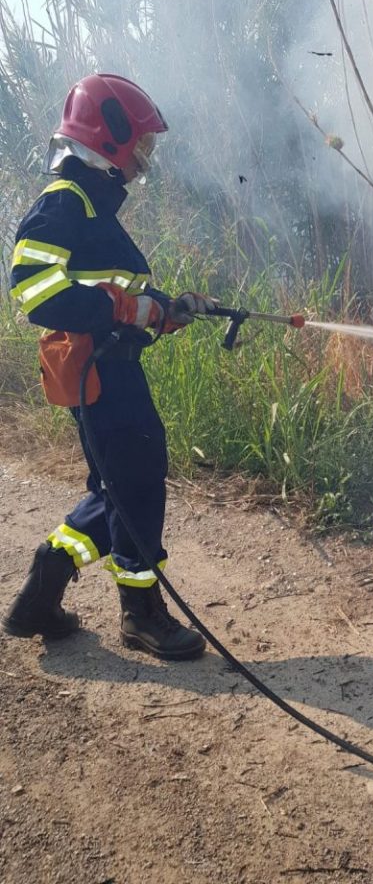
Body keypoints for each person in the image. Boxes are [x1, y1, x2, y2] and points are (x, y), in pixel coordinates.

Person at [2, 73, 214, 660]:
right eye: (141, 143)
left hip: (110, 368)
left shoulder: (92, 204)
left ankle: (42, 591)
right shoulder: (65, 201)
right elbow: (33, 287)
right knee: (139, 482)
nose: (145, 157)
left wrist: (168, 309)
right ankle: (141, 616)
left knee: (114, 487)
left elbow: (114, 291)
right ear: (109, 134)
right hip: (102, 374)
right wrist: (124, 306)